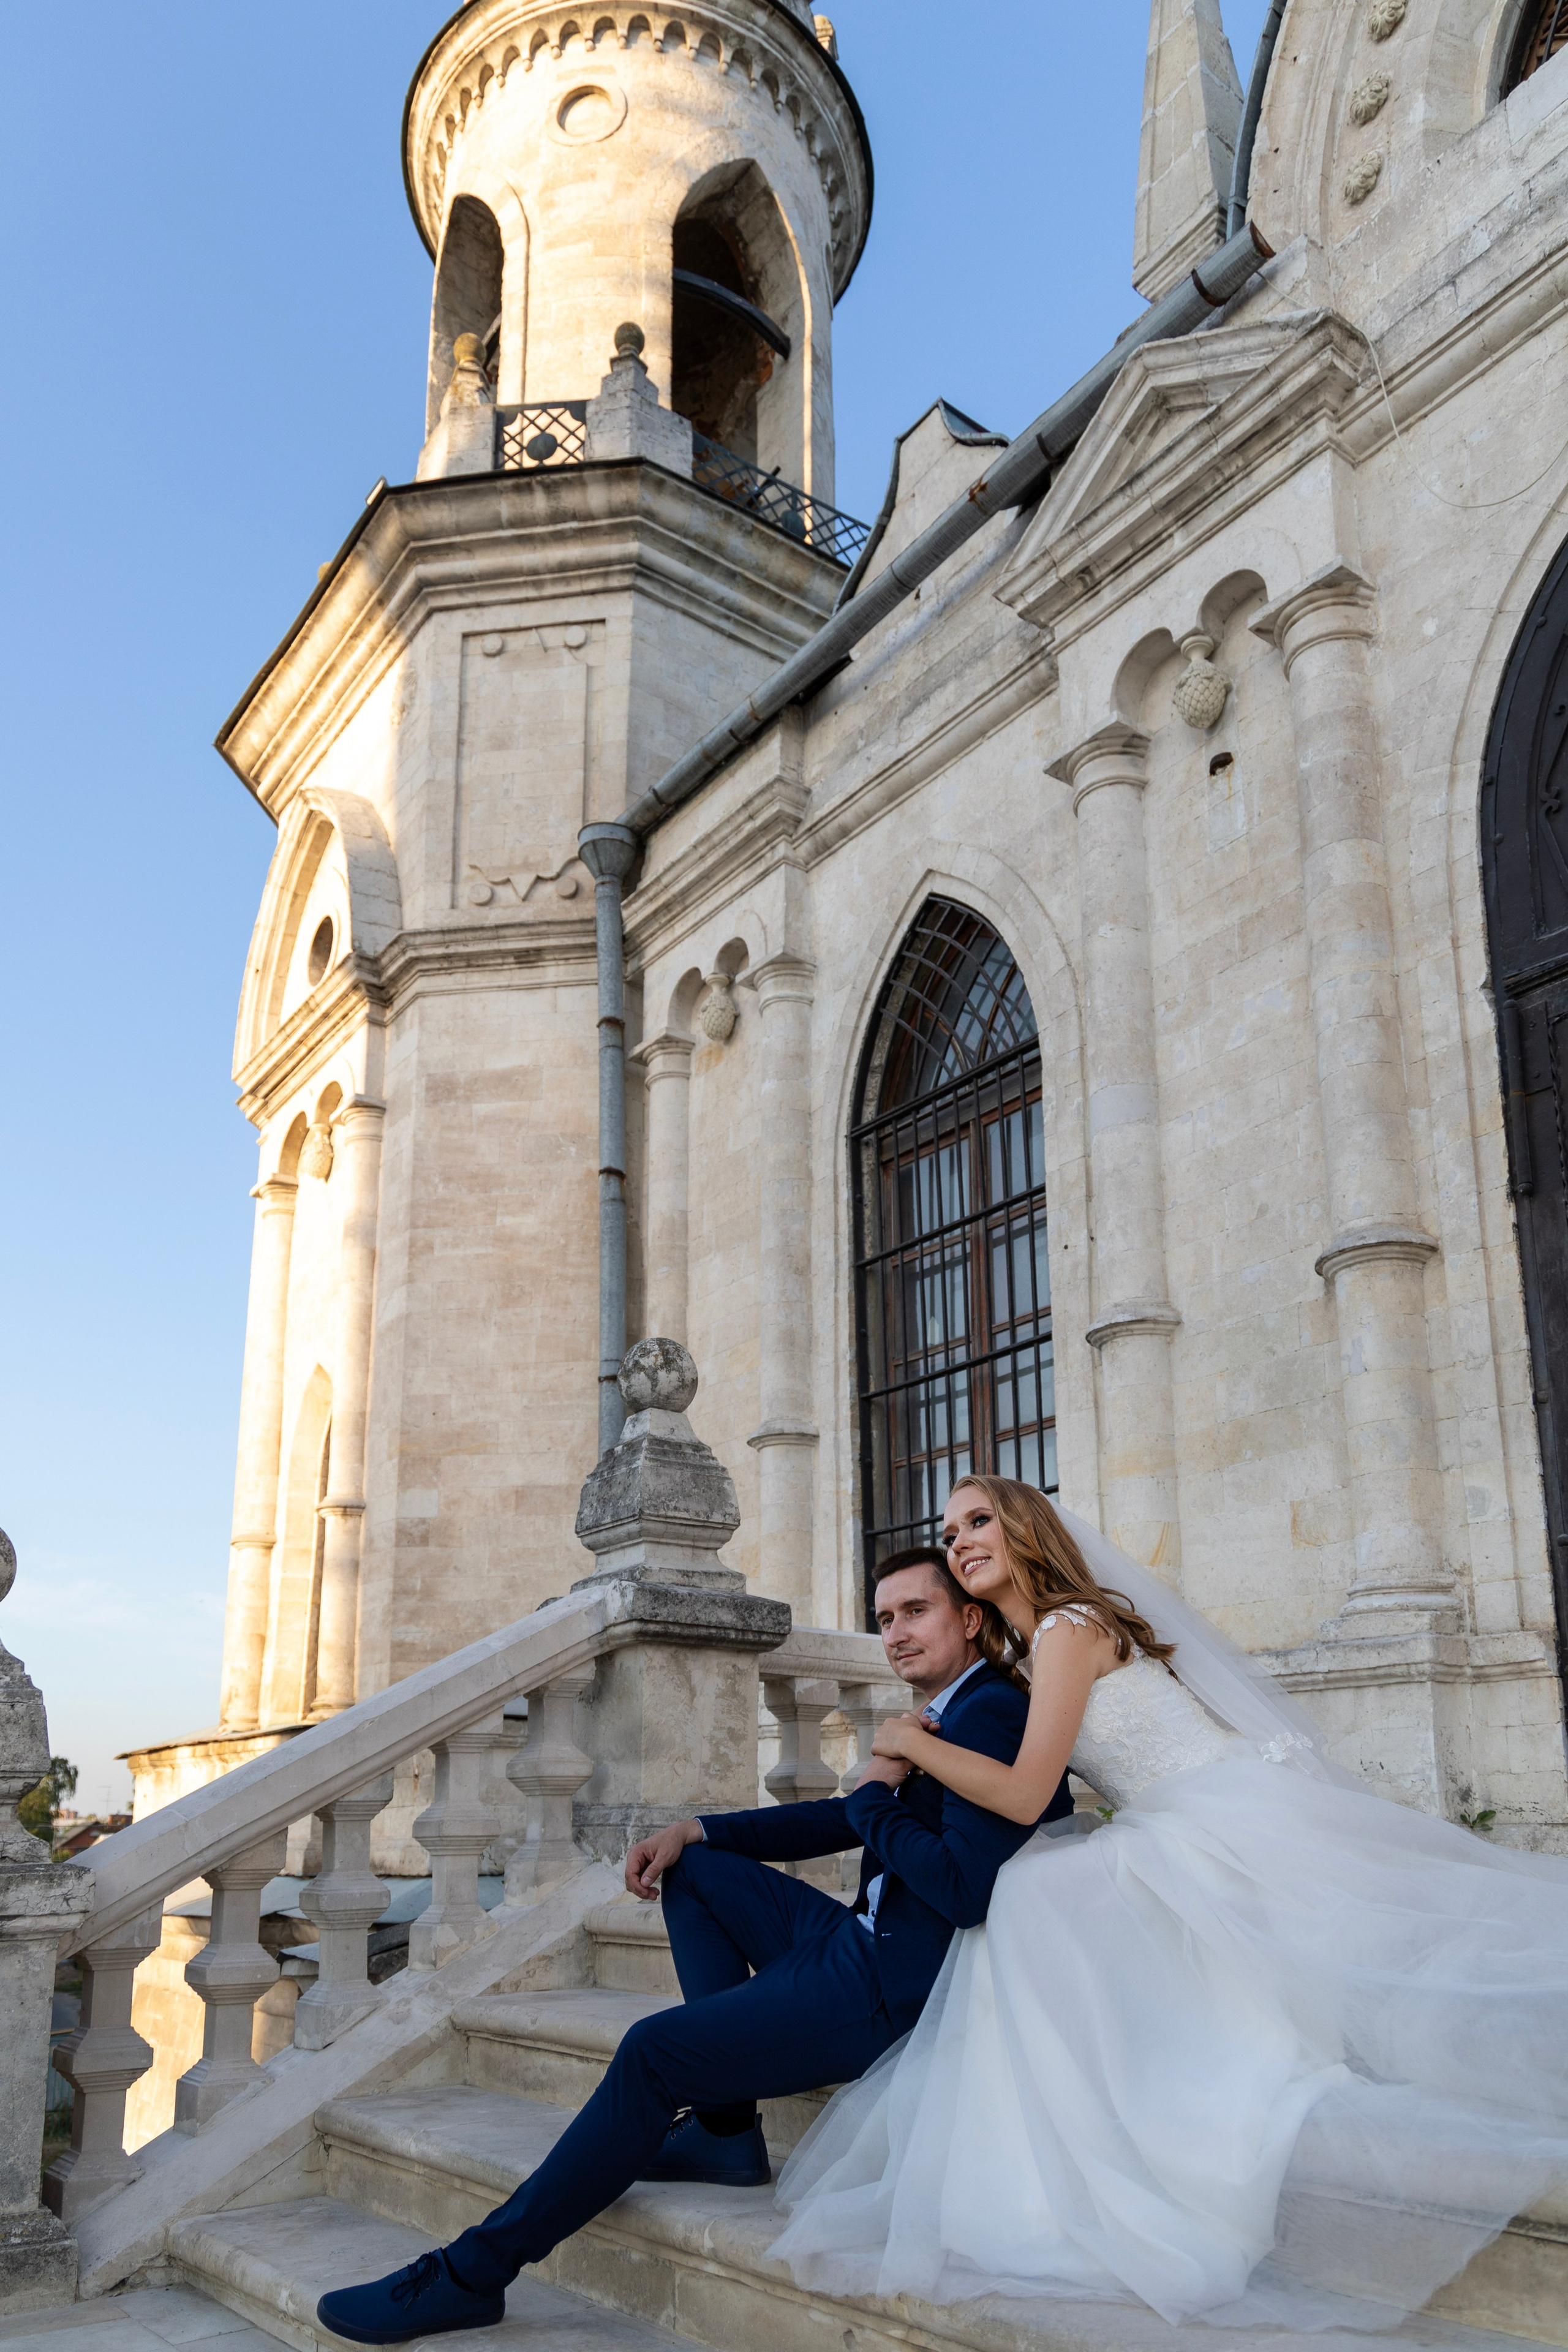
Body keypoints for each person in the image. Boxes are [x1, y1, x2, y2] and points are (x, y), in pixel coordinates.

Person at [771, 1474, 1568, 2332]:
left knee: (1037, 1893)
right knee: (1039, 1893)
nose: (960, 1539)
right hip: (1176, 1819)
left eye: (979, 1522)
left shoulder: (1070, 1630)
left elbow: (1024, 1791)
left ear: (1026, 1530)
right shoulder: (1038, 1648)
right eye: (950, 1529)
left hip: (1210, 1820)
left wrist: (900, 1746)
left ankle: (1076, 2157)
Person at [315, 1545, 1073, 2345]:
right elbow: (842, 1816)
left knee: (652, 2052)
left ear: (971, 1618)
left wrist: (883, 1785)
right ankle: (723, 2132)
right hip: (860, 1932)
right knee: (699, 1868)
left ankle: (475, 2273)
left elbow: (961, 1888)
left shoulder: (987, 1712)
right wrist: (699, 1826)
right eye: (884, 1618)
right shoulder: (945, 1711)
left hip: (891, 1980)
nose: (895, 1634)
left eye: (915, 1612)